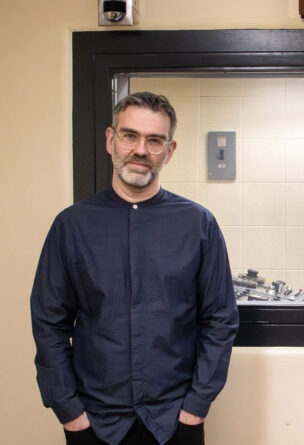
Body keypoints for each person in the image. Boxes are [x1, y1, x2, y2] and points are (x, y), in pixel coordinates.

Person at [31, 92, 239, 445]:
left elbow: (220, 319)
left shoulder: (198, 224)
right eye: (130, 136)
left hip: (175, 422)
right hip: (94, 423)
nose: (141, 150)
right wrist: (69, 412)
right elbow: (49, 322)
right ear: (111, 141)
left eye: (155, 140)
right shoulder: (71, 226)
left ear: (169, 151)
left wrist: (196, 407)